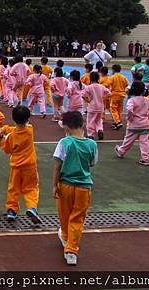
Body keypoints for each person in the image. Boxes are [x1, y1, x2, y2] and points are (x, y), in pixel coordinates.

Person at [53, 111, 98, 266]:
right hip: (84, 187)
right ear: (82, 124)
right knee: (77, 218)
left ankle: (67, 239)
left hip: (65, 184)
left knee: (64, 214)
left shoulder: (64, 142)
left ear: (67, 127)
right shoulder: (92, 144)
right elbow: (92, 163)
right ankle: (71, 250)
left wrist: (54, 185)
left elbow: (57, 166)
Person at [0, 105, 41, 224]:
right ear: (27, 119)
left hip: (16, 166)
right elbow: (18, 129)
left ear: (14, 118)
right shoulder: (30, 129)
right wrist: (5, 129)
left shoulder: (11, 136)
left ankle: (12, 210)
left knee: (13, 188)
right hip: (30, 165)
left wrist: (1, 138)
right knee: (31, 187)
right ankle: (32, 207)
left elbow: (7, 149)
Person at [114, 81, 149, 166]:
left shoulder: (131, 100)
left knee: (128, 140)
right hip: (145, 125)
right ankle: (146, 159)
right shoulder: (147, 100)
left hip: (133, 125)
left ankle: (121, 151)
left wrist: (130, 117)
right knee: (144, 142)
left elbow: (130, 110)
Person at [82, 72, 110, 140]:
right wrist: (103, 98)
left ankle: (90, 134)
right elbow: (109, 93)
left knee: (90, 121)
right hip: (100, 107)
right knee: (99, 120)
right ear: (98, 78)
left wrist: (88, 101)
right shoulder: (101, 86)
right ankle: (100, 130)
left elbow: (83, 95)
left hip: (92, 106)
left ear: (90, 78)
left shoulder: (89, 87)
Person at [108, 64, 128, 130]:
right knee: (119, 109)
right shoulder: (123, 77)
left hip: (115, 95)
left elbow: (108, 84)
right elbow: (126, 84)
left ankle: (117, 121)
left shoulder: (112, 77)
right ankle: (118, 120)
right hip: (122, 95)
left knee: (113, 109)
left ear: (113, 69)